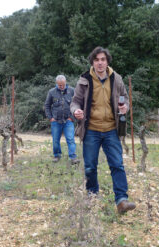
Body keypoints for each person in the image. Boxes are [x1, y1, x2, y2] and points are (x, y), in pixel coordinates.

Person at [70, 46, 136, 214]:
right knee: (90, 166)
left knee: (117, 164)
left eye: (103, 60)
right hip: (91, 129)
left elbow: (125, 99)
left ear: (107, 62)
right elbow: (75, 101)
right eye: (97, 60)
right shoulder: (84, 80)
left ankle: (121, 200)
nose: (100, 63)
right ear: (93, 62)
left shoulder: (116, 79)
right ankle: (92, 197)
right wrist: (75, 111)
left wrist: (125, 107)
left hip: (111, 129)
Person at [45, 75, 80, 164]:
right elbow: (47, 106)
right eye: (59, 85)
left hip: (68, 121)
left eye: (63, 85)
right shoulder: (51, 92)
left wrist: (72, 118)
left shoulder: (72, 91)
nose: (61, 86)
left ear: (65, 82)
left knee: (70, 139)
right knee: (56, 140)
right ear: (56, 84)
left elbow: (77, 104)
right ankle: (57, 156)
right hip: (56, 121)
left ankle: (73, 157)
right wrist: (50, 118)